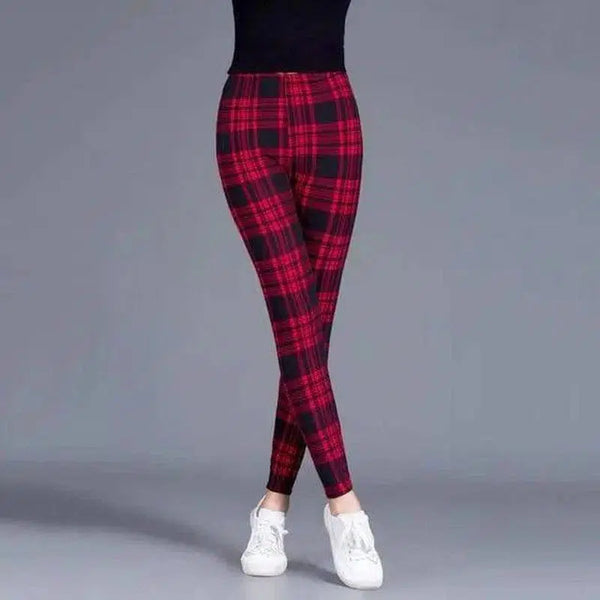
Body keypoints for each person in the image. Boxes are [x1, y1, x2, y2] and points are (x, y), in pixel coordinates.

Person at [215, 0, 383, 590]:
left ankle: (272, 507)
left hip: (331, 114)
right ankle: (345, 505)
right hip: (248, 116)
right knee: (295, 322)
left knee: (312, 330)